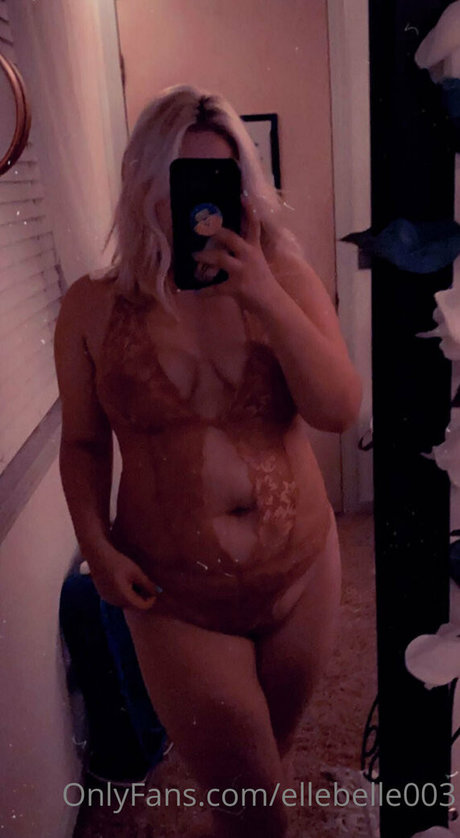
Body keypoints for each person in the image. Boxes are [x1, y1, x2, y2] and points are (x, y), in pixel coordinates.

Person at [54, 84, 362, 837]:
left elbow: (337, 409)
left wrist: (264, 294)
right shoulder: (92, 307)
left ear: (243, 185)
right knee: (256, 810)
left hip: (303, 573)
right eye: (177, 176)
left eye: (218, 176)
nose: (195, 201)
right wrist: (96, 547)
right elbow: (84, 442)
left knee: (265, 765)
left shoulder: (281, 278)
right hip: (176, 596)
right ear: (143, 182)